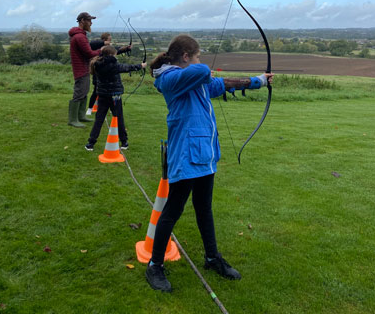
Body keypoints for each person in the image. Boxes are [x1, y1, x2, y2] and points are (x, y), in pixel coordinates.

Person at [145, 34, 274, 293]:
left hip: (204, 153)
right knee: (172, 210)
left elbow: (220, 83)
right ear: (185, 57)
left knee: (204, 207)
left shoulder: (193, 78)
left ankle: (212, 258)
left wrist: (258, 81)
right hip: (185, 154)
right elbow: (203, 72)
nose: (201, 60)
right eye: (197, 55)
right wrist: (199, 66)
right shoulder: (170, 79)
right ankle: (155, 265)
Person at [85, 45, 147, 151]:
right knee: (119, 119)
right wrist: (141, 66)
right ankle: (124, 142)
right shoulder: (113, 65)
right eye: (114, 54)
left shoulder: (97, 63)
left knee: (99, 119)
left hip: (103, 95)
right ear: (110, 55)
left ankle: (90, 143)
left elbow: (121, 65)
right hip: (115, 96)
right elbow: (127, 67)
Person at [68, 12, 102, 128]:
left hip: (84, 68)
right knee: (79, 93)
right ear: (82, 21)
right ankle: (73, 120)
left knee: (84, 91)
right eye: (89, 20)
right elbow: (89, 54)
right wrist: (101, 51)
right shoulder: (79, 37)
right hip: (80, 69)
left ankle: (81, 116)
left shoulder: (80, 35)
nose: (91, 23)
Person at [86, 32, 131, 115]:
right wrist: (103, 43)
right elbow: (91, 44)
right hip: (99, 73)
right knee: (96, 91)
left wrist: (126, 48)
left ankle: (111, 109)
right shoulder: (97, 46)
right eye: (109, 40)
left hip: (108, 73)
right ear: (104, 40)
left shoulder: (109, 48)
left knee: (110, 93)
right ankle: (90, 108)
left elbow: (116, 50)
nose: (110, 41)